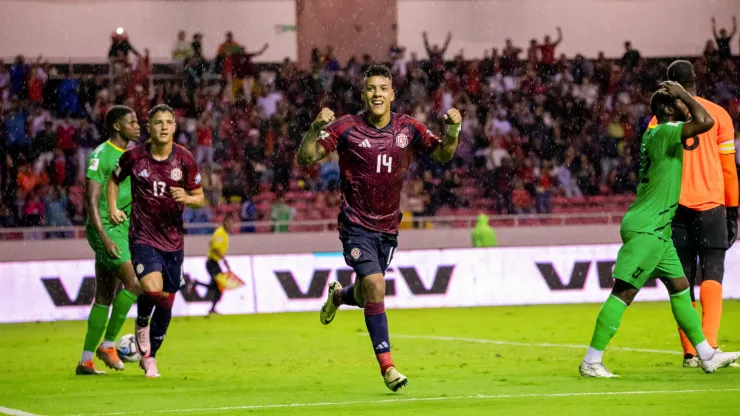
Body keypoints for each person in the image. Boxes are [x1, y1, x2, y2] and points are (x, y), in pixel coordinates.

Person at [296, 64, 462, 391]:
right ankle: (388, 368)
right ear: (363, 94)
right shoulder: (346, 127)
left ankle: (339, 296)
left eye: (382, 88)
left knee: (364, 290)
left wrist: (454, 131)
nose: (377, 94)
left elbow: (443, 155)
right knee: (374, 283)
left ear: (392, 94)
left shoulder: (408, 128)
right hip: (355, 224)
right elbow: (305, 158)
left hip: (388, 228)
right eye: (371, 88)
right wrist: (314, 129)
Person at [579, 81, 740, 378]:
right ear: (668, 109)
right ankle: (591, 360)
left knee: (680, 288)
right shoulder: (665, 132)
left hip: (660, 230)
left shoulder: (658, 134)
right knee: (624, 291)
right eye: (678, 103)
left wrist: (681, 97)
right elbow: (705, 121)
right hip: (647, 228)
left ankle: (706, 354)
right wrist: (684, 94)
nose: (685, 105)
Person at [648, 60, 739, 367]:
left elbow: (654, 169)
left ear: (669, 84)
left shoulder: (657, 120)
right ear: (695, 81)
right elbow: (729, 170)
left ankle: (690, 352)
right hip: (712, 206)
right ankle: (710, 346)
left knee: (681, 279)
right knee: (713, 272)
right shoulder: (720, 115)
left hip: (674, 209)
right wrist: (733, 211)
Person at [107, 104, 204, 378]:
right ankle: (141, 324)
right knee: (152, 289)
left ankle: (151, 357)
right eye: (157, 122)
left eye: (168, 121)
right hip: (143, 237)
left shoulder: (184, 160)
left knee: (167, 299)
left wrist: (187, 198)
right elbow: (113, 181)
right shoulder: (134, 157)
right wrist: (114, 208)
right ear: (148, 127)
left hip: (173, 241)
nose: (163, 126)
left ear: (174, 127)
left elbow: (200, 196)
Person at [76, 105, 142, 375]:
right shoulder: (101, 155)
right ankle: (109, 344)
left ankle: (86, 360)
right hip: (106, 227)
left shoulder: (129, 156)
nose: (138, 126)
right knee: (135, 283)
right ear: (117, 126)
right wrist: (103, 236)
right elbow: (90, 200)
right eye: (132, 122)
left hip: (120, 227)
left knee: (104, 295)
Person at [191, 213, 236, 314]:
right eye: (230, 223)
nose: (231, 226)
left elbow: (211, 243)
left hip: (214, 262)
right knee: (218, 286)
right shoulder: (220, 233)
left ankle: (197, 284)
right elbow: (215, 248)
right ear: (225, 223)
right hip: (212, 263)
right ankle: (211, 307)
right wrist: (224, 260)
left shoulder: (223, 233)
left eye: (232, 223)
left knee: (217, 287)